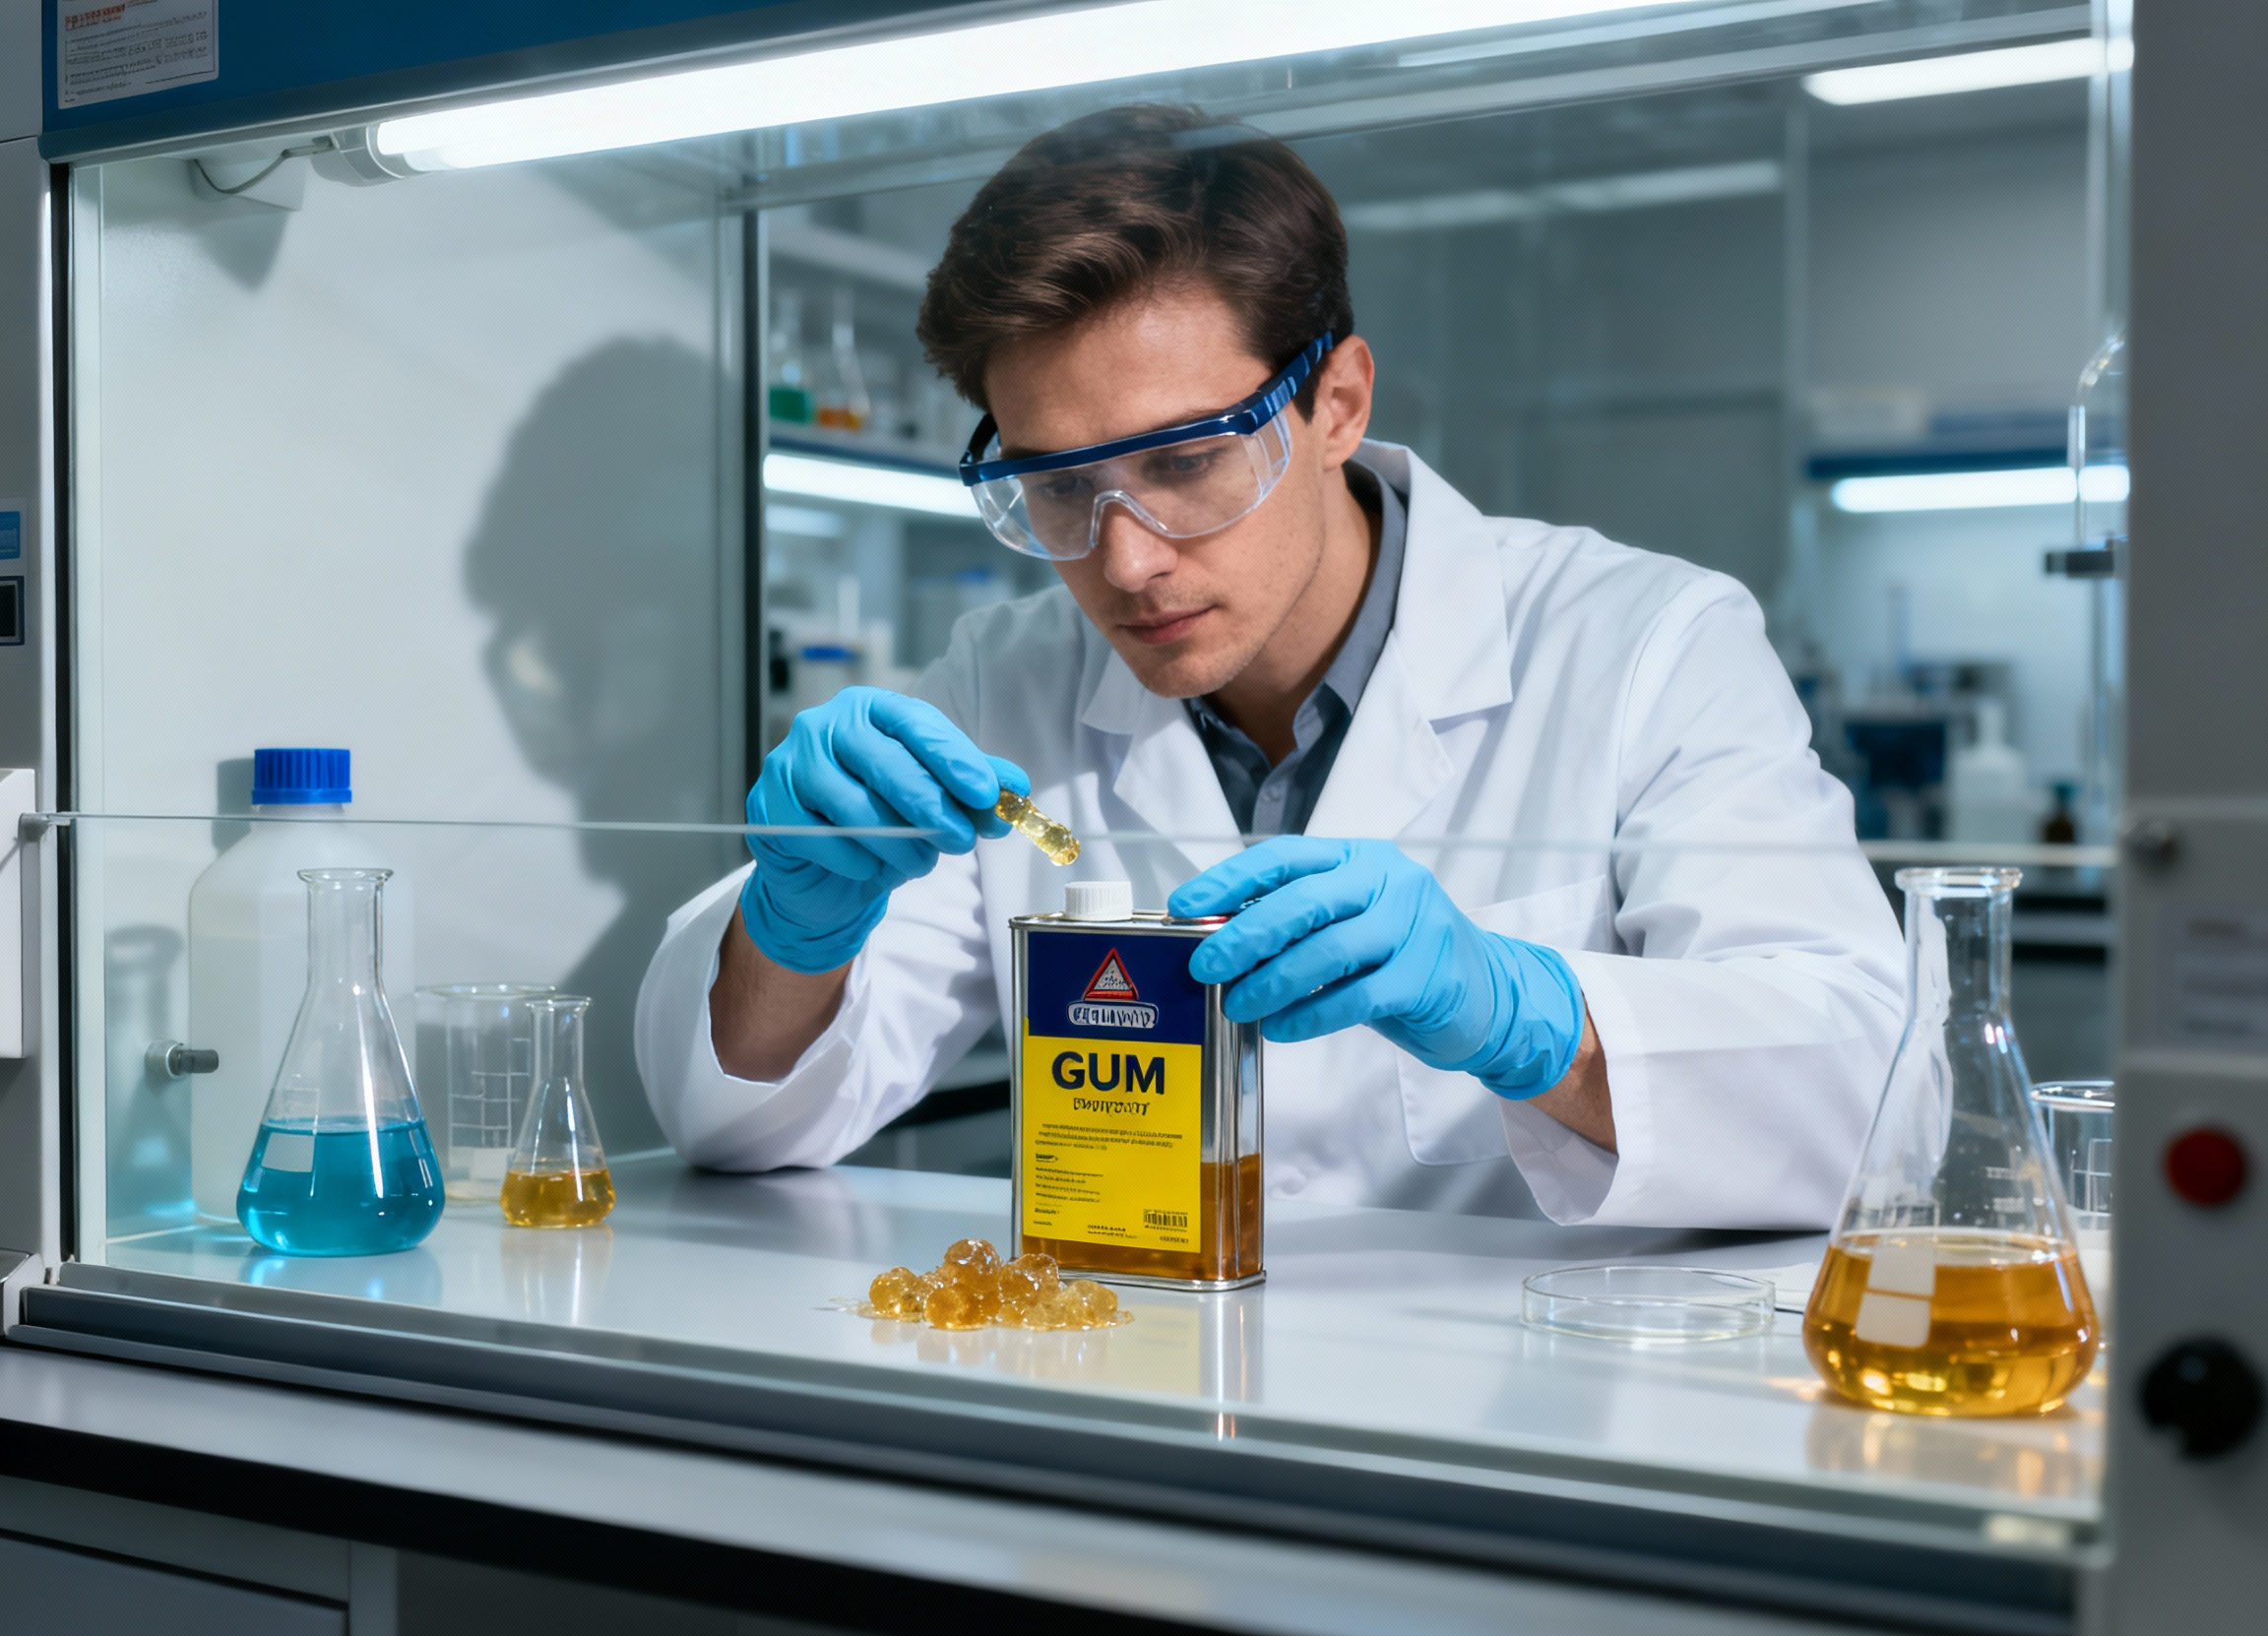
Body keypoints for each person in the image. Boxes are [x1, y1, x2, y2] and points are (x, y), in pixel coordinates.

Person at [636, 105, 1904, 1227]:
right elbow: (739, 1125)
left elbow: (1871, 1104)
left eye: (1187, 462)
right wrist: (792, 930)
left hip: (1524, 1423)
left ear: (1338, 401)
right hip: (1137, 1394)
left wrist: (1531, 1017)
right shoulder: (999, 680)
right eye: (1059, 485)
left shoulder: (1642, 643)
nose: (1124, 561)